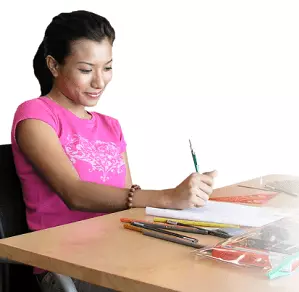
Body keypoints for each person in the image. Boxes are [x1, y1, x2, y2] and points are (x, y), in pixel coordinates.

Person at [10, 10, 217, 292]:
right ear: (54, 66)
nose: (99, 81)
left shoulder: (111, 127)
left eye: (107, 67)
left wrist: (181, 212)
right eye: (85, 70)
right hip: (67, 264)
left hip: (119, 252)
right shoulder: (36, 114)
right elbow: (74, 192)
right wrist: (168, 197)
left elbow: (126, 200)